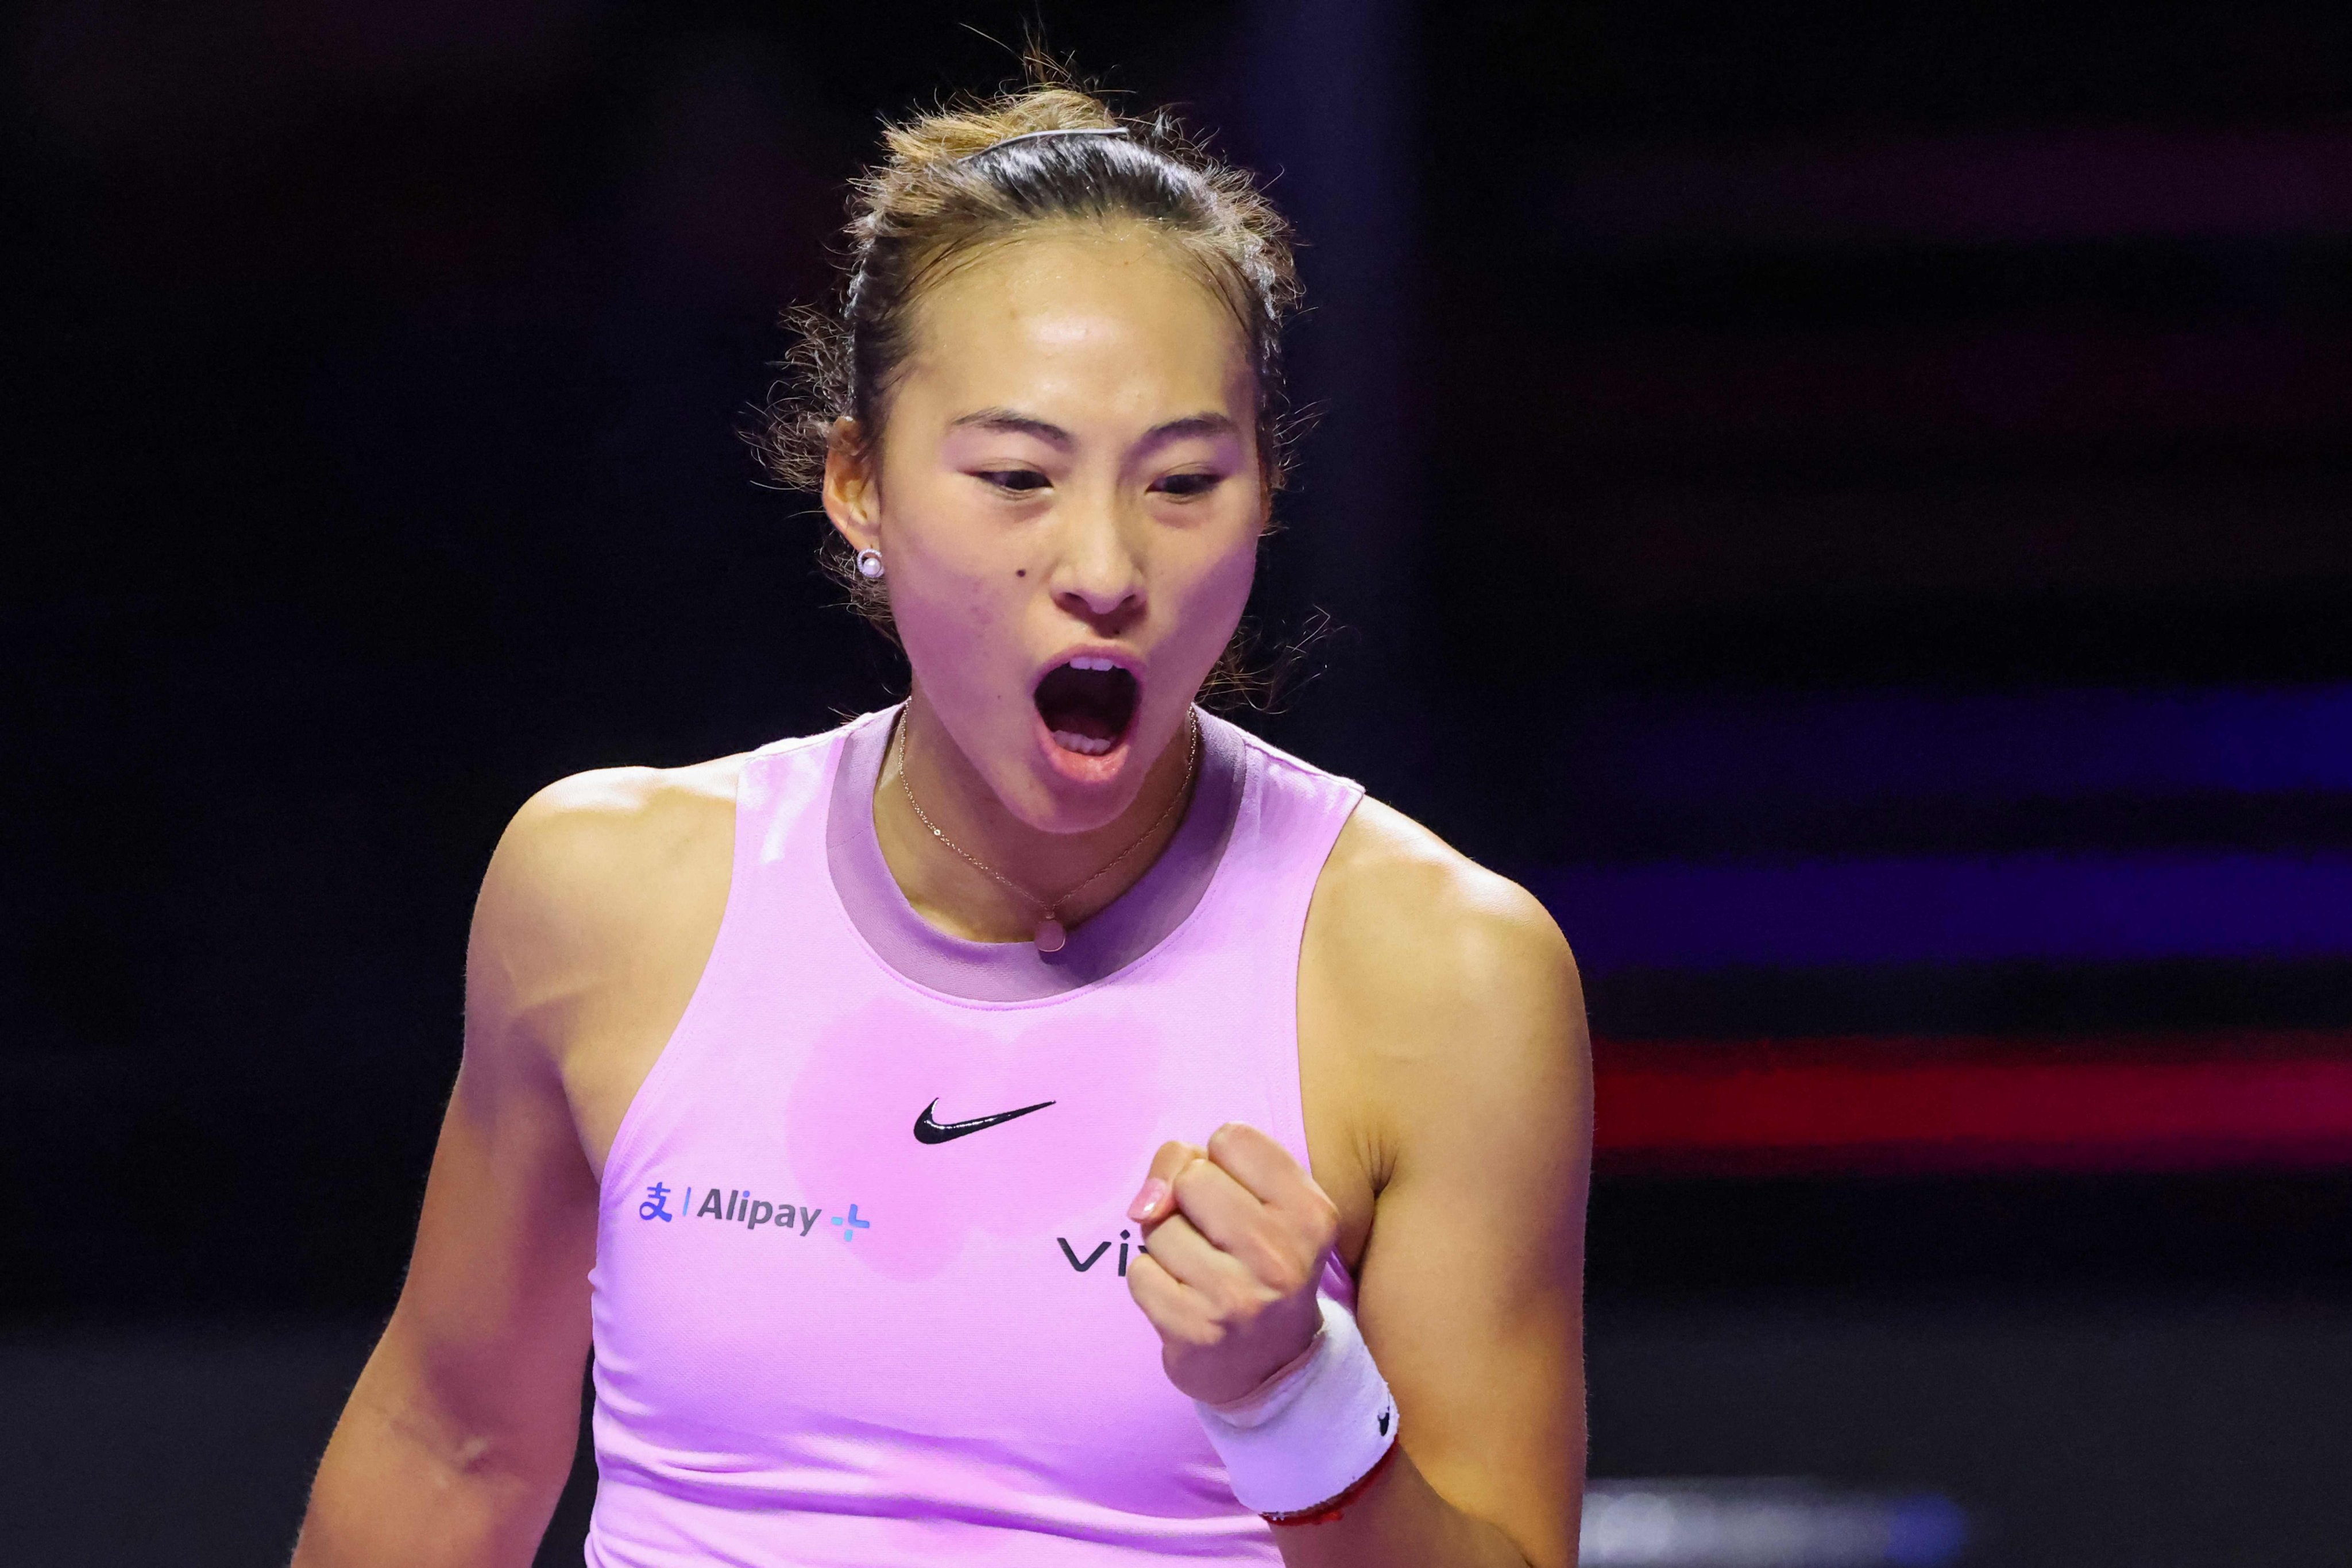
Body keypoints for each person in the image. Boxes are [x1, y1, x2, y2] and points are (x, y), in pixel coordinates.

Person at [293, 71, 1590, 1568]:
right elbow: (447, 1452)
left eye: (1182, 480)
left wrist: (1298, 1398)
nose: (1105, 561)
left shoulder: (1450, 977)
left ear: (1266, 495)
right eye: (1017, 476)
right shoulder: (603, 893)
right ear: (860, 484)